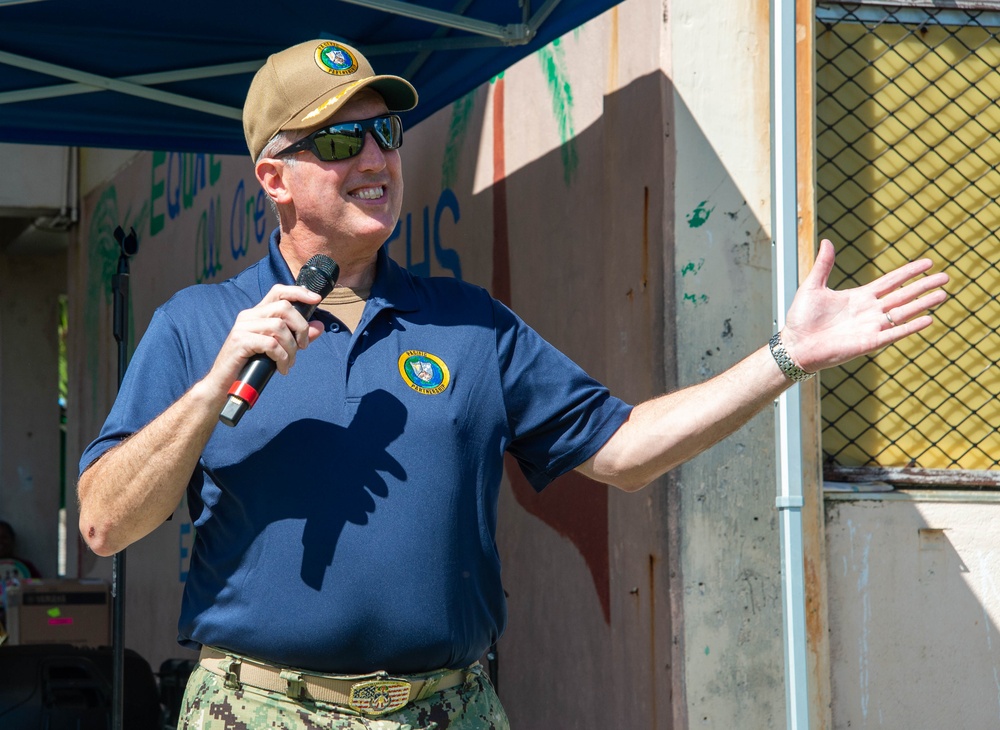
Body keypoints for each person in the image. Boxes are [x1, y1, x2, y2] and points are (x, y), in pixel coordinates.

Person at [76, 38, 949, 730]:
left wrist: (786, 355)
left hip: (449, 709)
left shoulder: (472, 324)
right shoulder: (197, 327)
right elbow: (106, 523)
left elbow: (627, 451)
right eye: (342, 141)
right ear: (274, 177)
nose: (377, 158)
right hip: (261, 712)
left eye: (386, 134)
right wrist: (214, 384)